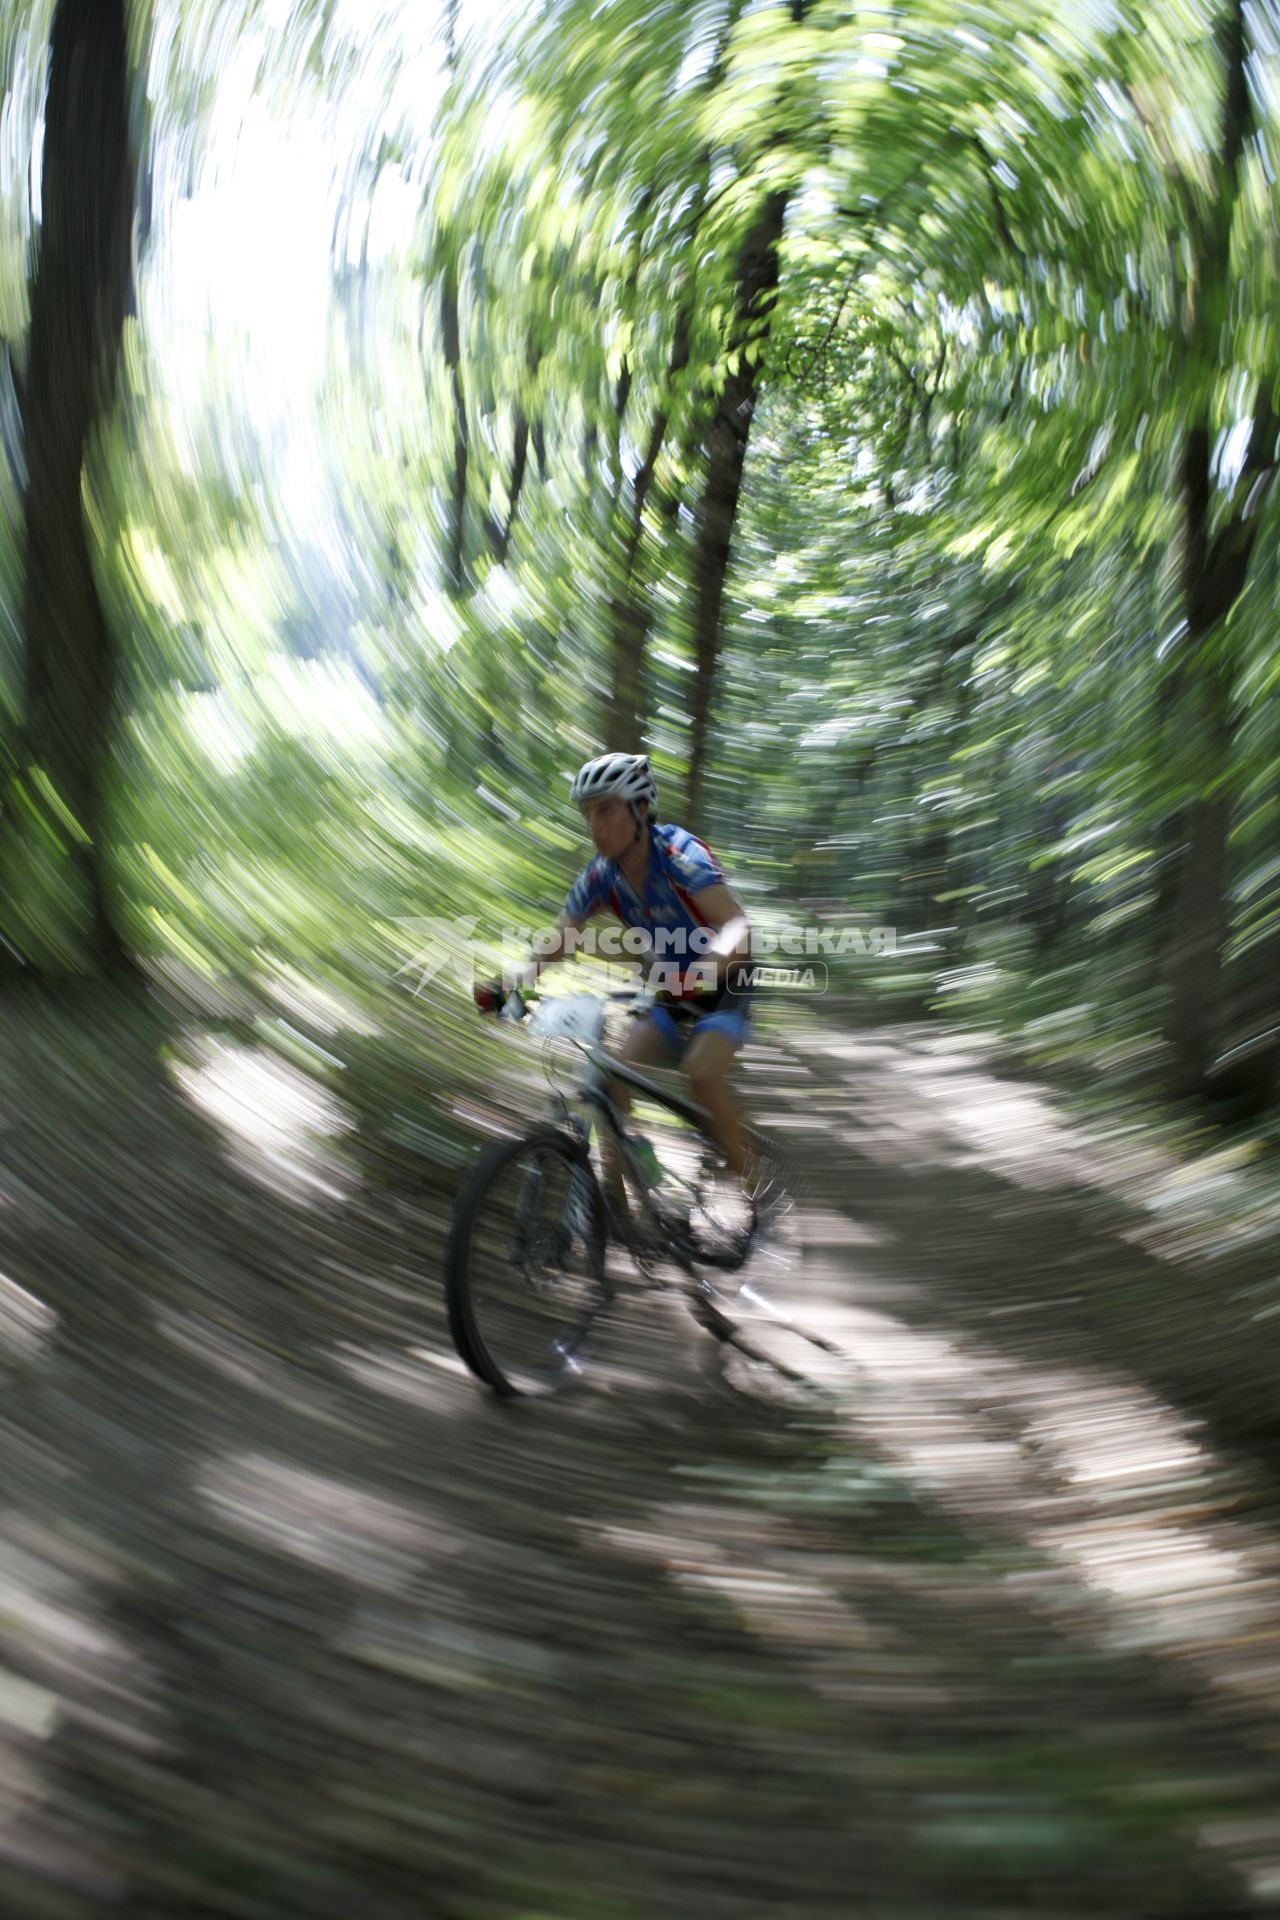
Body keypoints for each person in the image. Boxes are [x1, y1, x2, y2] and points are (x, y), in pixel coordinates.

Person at [474, 750, 757, 1218]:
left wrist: (702, 974)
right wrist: (513, 983)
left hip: (726, 978)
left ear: (641, 809)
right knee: (611, 1079)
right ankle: (619, 1208)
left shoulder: (679, 854)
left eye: (605, 810)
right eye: (588, 814)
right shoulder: (601, 876)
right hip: (669, 985)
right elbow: (559, 939)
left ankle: (747, 1173)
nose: (594, 825)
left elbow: (737, 928)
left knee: (701, 1075)